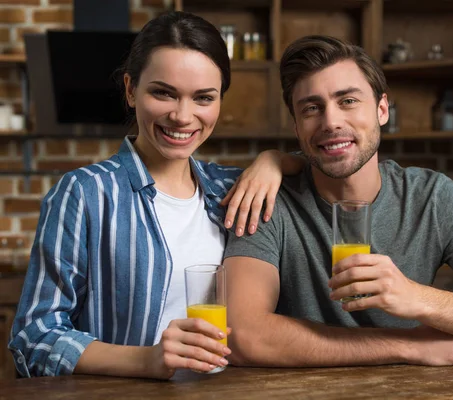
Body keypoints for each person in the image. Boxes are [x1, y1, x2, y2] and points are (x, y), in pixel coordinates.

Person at [9, 12, 305, 379]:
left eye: (203, 98)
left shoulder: (233, 189)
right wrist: (147, 361)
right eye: (163, 92)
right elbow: (33, 338)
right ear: (131, 90)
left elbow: (319, 165)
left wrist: (273, 160)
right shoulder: (84, 194)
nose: (183, 116)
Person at [223, 35, 453, 367]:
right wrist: (406, 346)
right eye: (311, 108)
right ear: (296, 126)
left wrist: (416, 297)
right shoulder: (266, 199)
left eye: (347, 101)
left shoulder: (432, 198)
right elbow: (240, 335)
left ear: (381, 110)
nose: (331, 121)